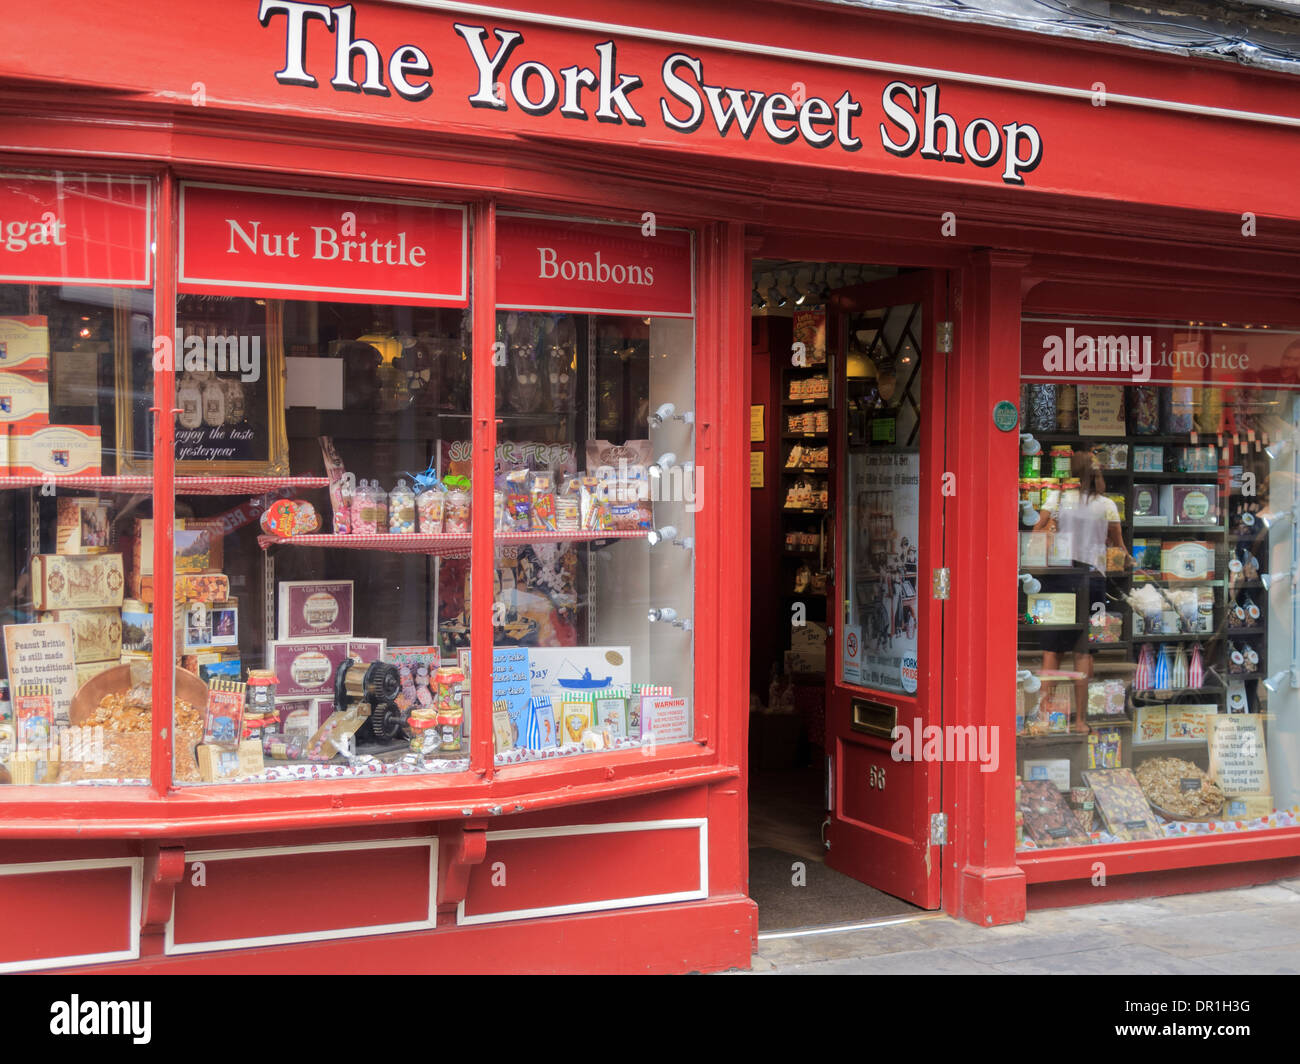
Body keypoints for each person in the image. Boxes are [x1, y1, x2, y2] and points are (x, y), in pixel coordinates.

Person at [1031, 447, 1125, 730]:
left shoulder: (1058, 498)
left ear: (1071, 472)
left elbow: (1036, 531)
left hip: (1056, 578)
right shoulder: (1107, 505)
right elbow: (1118, 547)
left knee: (1051, 650)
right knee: (1085, 652)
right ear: (1096, 473)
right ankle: (1081, 720)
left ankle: (1045, 719)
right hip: (1093, 582)